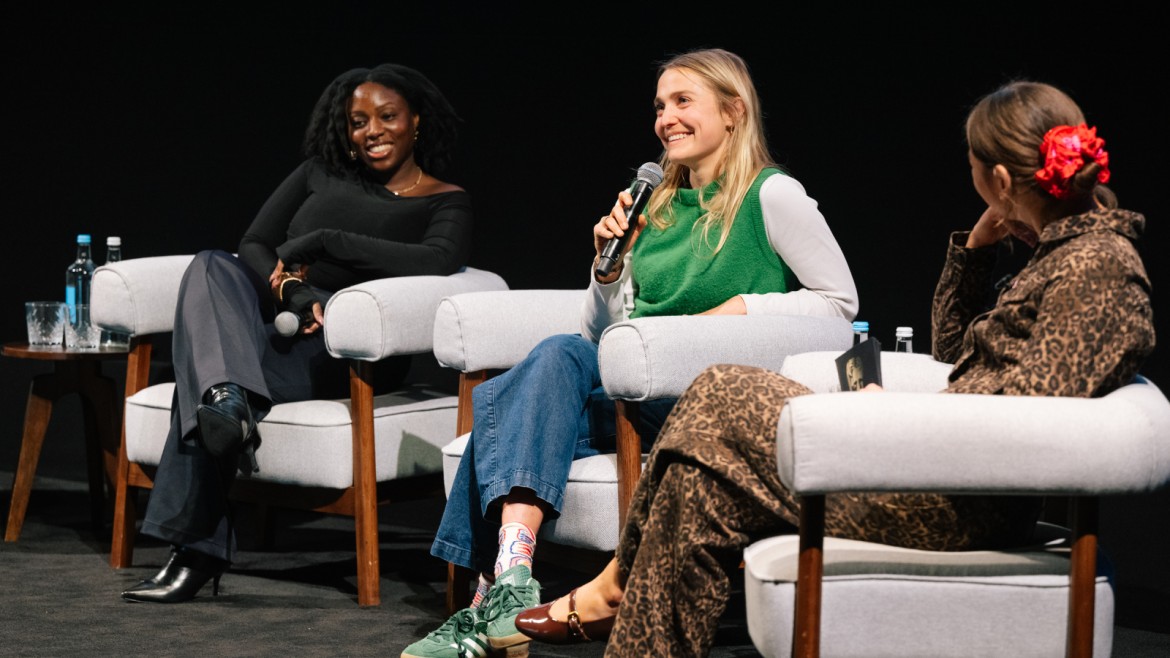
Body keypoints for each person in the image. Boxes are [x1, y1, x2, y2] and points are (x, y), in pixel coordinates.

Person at [511, 79, 1156, 656]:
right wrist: (976, 256)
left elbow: (1028, 423)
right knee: (697, 486)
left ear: (1000, 180)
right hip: (934, 472)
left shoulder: (1096, 268)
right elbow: (957, 359)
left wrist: (886, 423)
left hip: (953, 501)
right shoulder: (1063, 257)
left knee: (720, 389)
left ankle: (616, 582)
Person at [401, 48, 858, 658]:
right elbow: (603, 334)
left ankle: (485, 603)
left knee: (507, 405)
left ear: (733, 110)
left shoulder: (771, 196)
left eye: (682, 102)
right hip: (627, 392)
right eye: (660, 105)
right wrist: (607, 269)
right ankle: (512, 580)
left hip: (702, 405)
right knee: (559, 354)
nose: (665, 118)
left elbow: (839, 304)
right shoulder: (654, 203)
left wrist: (737, 311)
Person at [120, 63, 473, 603]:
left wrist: (327, 240)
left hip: (342, 350)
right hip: (278, 325)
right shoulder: (317, 172)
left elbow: (437, 259)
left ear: (416, 122)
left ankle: (194, 549)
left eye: (387, 116)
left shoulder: (444, 199)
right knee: (212, 264)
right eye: (358, 121)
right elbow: (256, 243)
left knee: (203, 370)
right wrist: (292, 292)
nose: (372, 130)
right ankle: (227, 401)